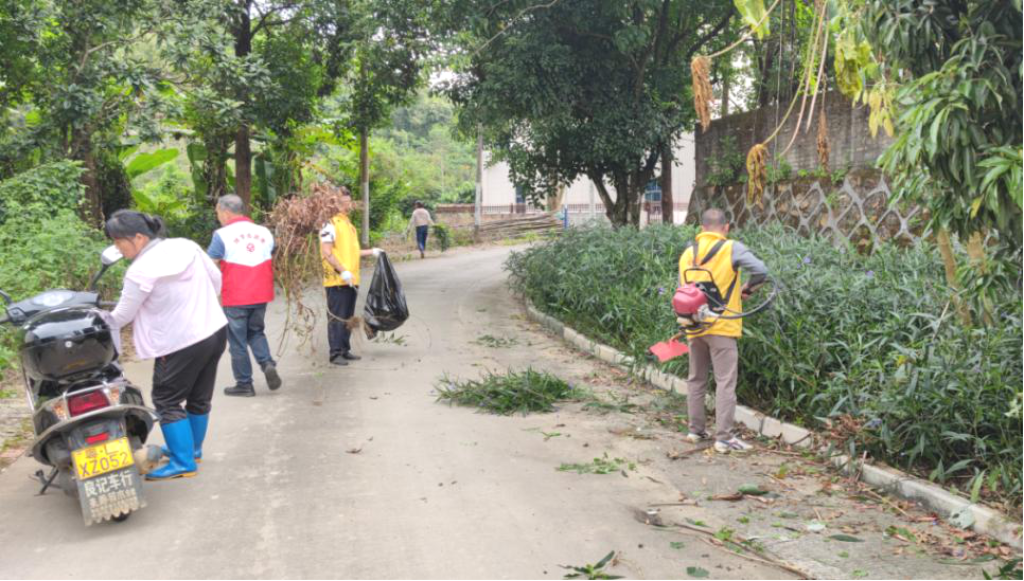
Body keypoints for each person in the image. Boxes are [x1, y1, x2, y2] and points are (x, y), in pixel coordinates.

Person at [106, 210, 228, 480]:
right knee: (198, 396)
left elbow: (123, 315)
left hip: (179, 342)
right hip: (215, 330)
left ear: (138, 238)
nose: (117, 247)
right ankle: (192, 449)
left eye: (118, 241)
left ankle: (183, 462)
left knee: (166, 399)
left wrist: (104, 321)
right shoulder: (187, 246)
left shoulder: (139, 270)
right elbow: (216, 280)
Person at [679, 209, 769, 455]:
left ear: (702, 228)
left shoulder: (688, 253)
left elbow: (684, 290)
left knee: (696, 379)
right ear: (726, 227)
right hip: (722, 326)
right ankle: (724, 438)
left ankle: (695, 431)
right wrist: (749, 289)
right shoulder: (732, 248)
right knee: (725, 382)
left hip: (694, 326)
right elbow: (761, 270)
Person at [207, 195, 282, 398]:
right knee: (256, 331)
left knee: (237, 341)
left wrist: (211, 292)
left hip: (236, 295)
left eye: (218, 213)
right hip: (260, 293)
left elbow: (210, 264)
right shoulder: (265, 232)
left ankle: (244, 384)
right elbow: (269, 253)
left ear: (226, 212)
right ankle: (266, 363)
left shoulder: (221, 235)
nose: (218, 217)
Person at [319, 185, 382, 366]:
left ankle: (345, 349)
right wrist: (341, 270)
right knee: (337, 317)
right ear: (334, 204)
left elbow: (353, 252)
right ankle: (335, 352)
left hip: (351, 279)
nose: (346, 206)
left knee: (348, 317)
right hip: (337, 280)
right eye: (342, 203)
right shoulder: (328, 224)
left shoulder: (348, 225)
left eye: (347, 202)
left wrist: (372, 251)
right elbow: (327, 252)